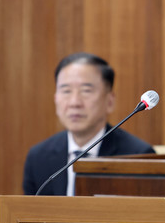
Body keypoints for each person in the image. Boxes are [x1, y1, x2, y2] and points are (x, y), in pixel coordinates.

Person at [23, 52, 155, 195]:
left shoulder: (138, 156)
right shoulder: (38, 157)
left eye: (86, 91)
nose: (74, 102)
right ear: (56, 99)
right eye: (66, 91)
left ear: (110, 101)